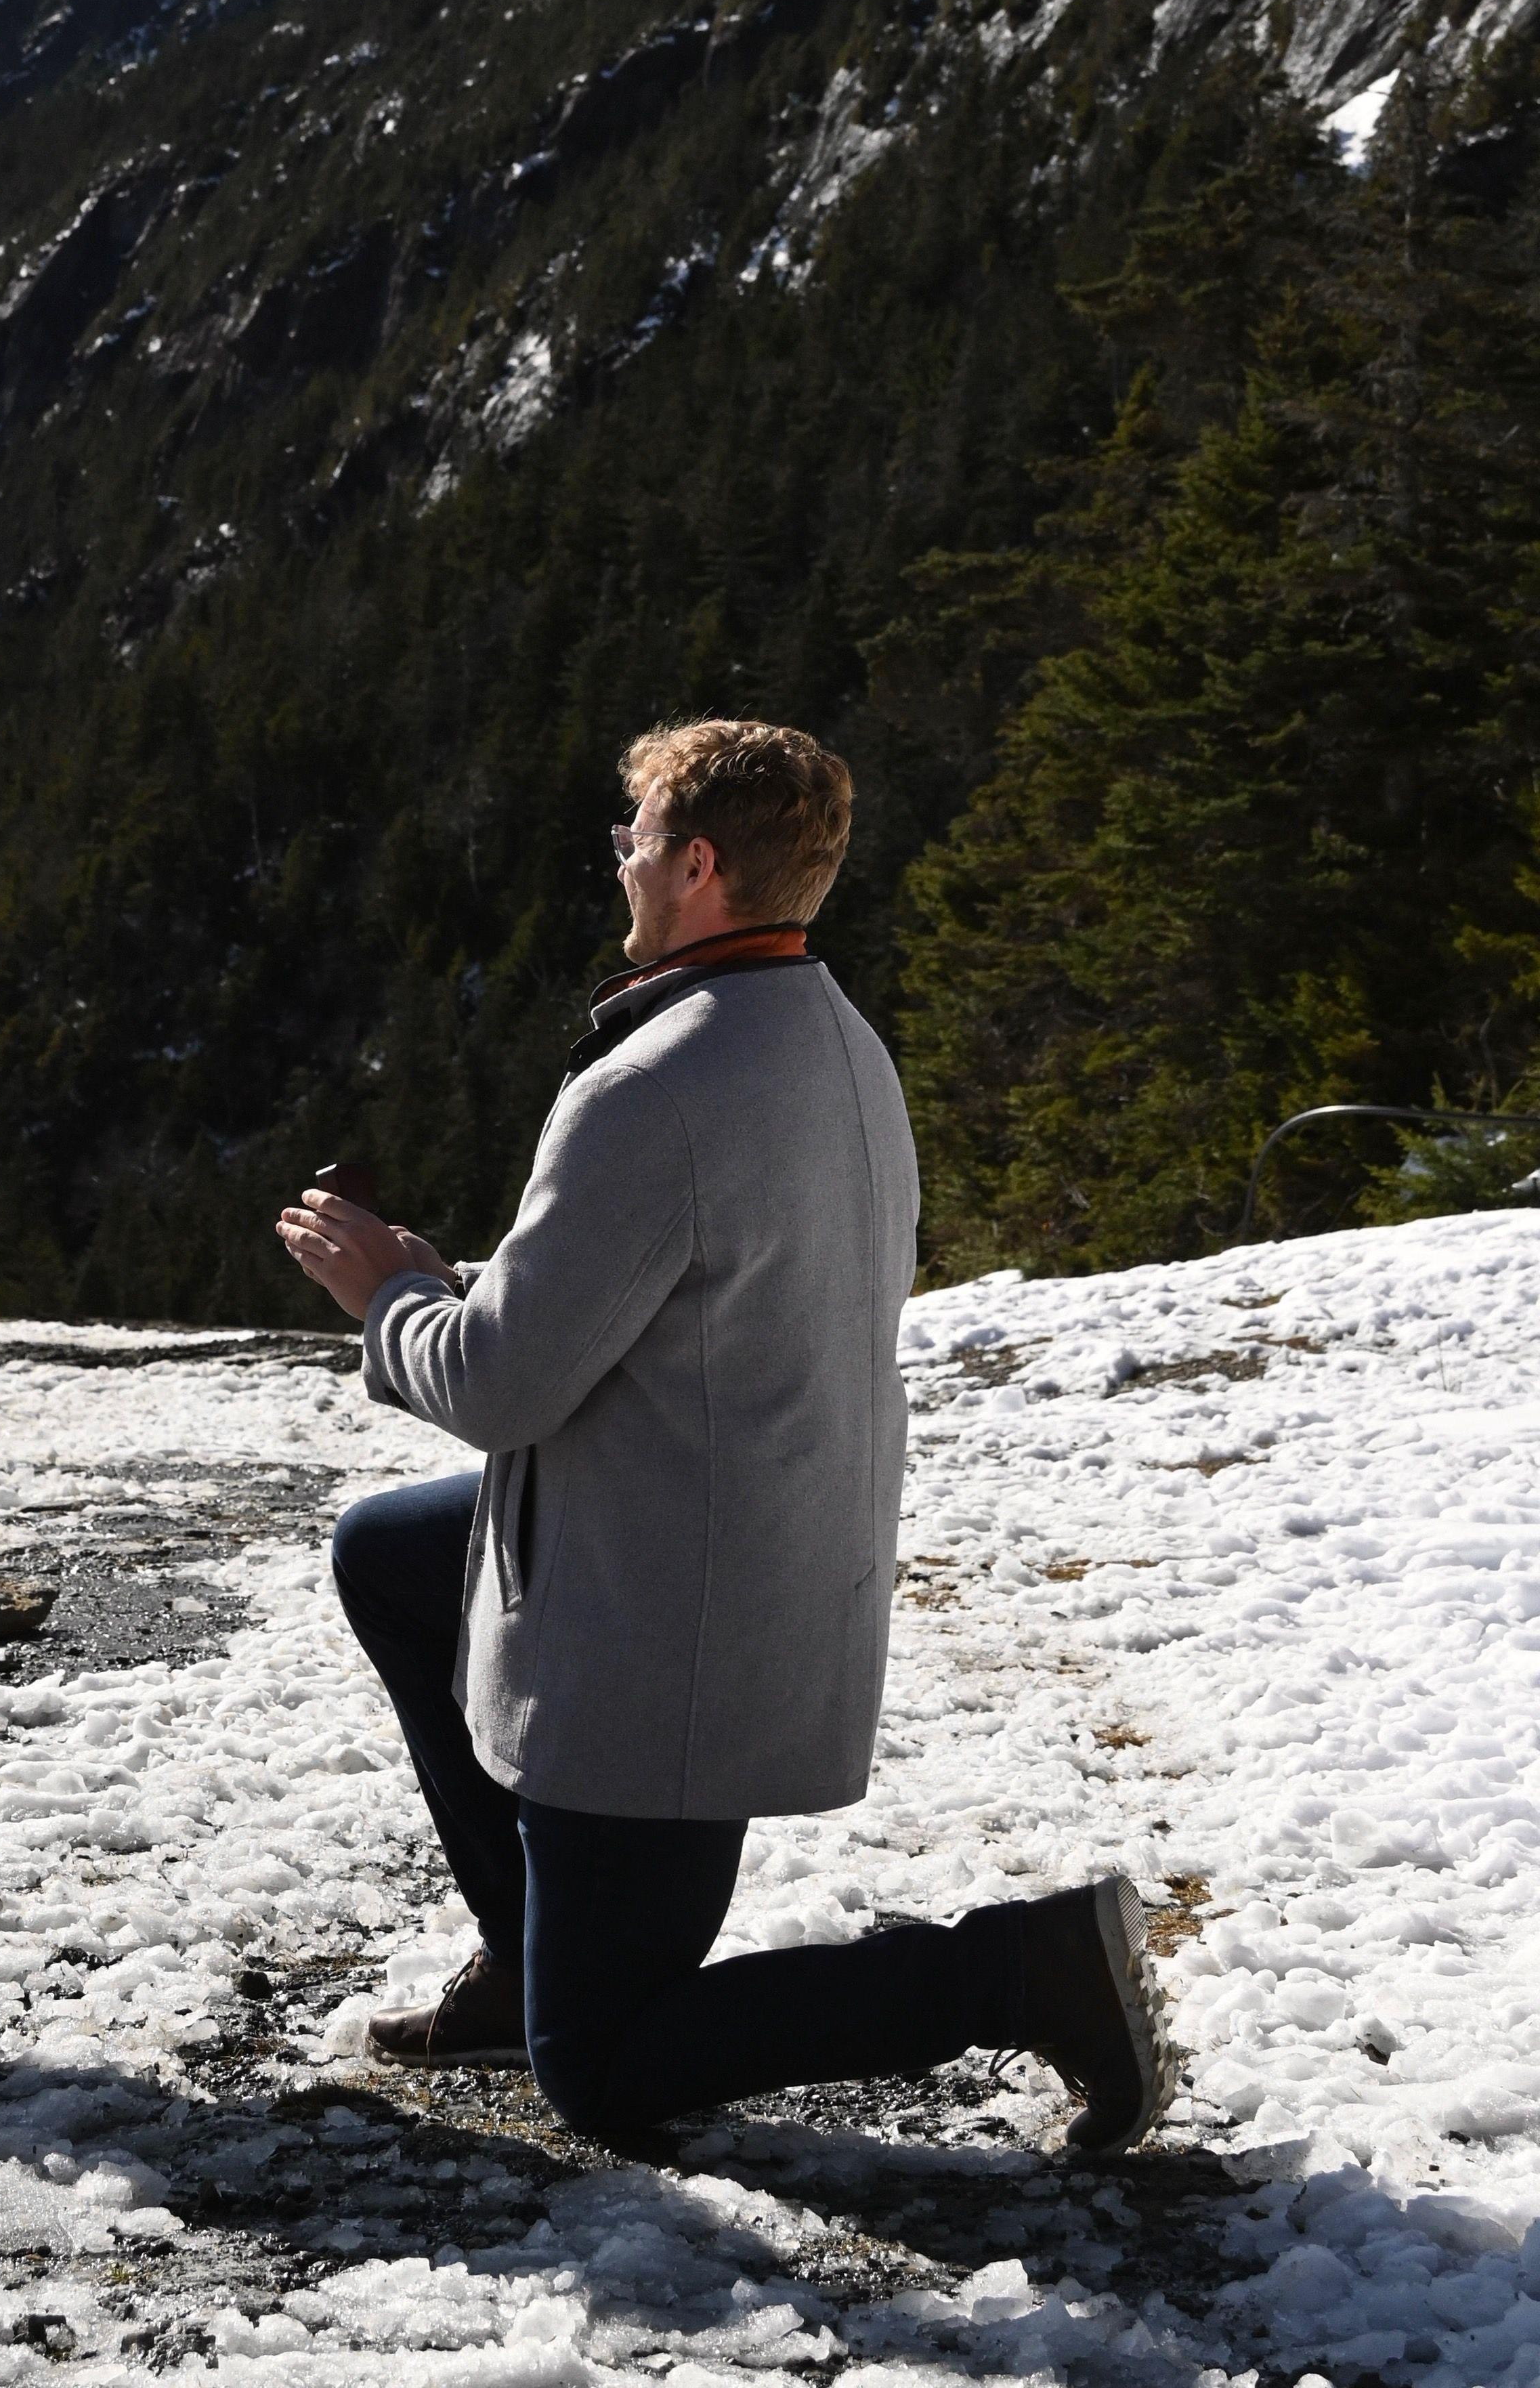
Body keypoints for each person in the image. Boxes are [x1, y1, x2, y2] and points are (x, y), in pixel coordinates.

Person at [276, 719, 1174, 2155]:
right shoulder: (830, 1035)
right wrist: (457, 1289)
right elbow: (679, 1300)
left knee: (605, 2068)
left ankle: (1019, 1969)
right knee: (393, 1553)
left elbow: (499, 1392)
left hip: (664, 1628)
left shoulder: (653, 1084)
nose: (618, 861)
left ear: (694, 865)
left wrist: (384, 1296)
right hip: (752, 1546)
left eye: (631, 838)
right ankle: (530, 1948)